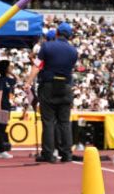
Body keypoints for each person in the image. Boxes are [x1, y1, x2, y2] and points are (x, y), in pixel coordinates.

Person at [24, 21, 78, 163]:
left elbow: (37, 66)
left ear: (57, 33)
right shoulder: (74, 51)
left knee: (48, 121)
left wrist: (28, 82)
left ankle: (48, 154)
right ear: (69, 36)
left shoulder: (47, 46)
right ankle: (66, 154)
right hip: (66, 87)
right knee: (64, 122)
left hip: (48, 86)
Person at [0, 59, 17, 159]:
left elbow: (16, 80)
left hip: (6, 105)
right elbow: (0, 92)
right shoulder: (1, 79)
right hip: (1, 105)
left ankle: (0, 150)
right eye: (9, 66)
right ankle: (0, 150)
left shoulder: (8, 79)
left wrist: (11, 72)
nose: (10, 68)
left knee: (3, 128)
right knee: (0, 128)